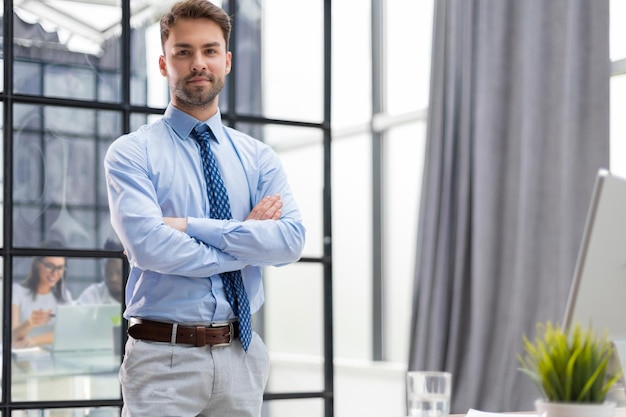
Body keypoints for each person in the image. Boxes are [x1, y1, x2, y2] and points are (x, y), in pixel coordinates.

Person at [103, 1, 306, 416]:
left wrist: (189, 226)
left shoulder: (258, 157)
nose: (198, 63)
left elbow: (289, 242)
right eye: (184, 52)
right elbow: (150, 248)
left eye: (210, 51)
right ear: (163, 63)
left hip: (242, 355)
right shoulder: (131, 153)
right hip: (163, 361)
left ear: (227, 61)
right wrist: (246, 237)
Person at [12, 250, 73, 347]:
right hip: (22, 358)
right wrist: (30, 322)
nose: (55, 273)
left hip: (52, 357)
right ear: (37, 264)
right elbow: (12, 336)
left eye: (60, 268)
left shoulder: (64, 295)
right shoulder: (17, 291)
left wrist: (35, 340)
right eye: (50, 266)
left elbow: (68, 333)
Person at [76, 238, 124, 305]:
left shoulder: (136, 296)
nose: (113, 278)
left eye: (119, 273)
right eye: (109, 273)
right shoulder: (92, 295)